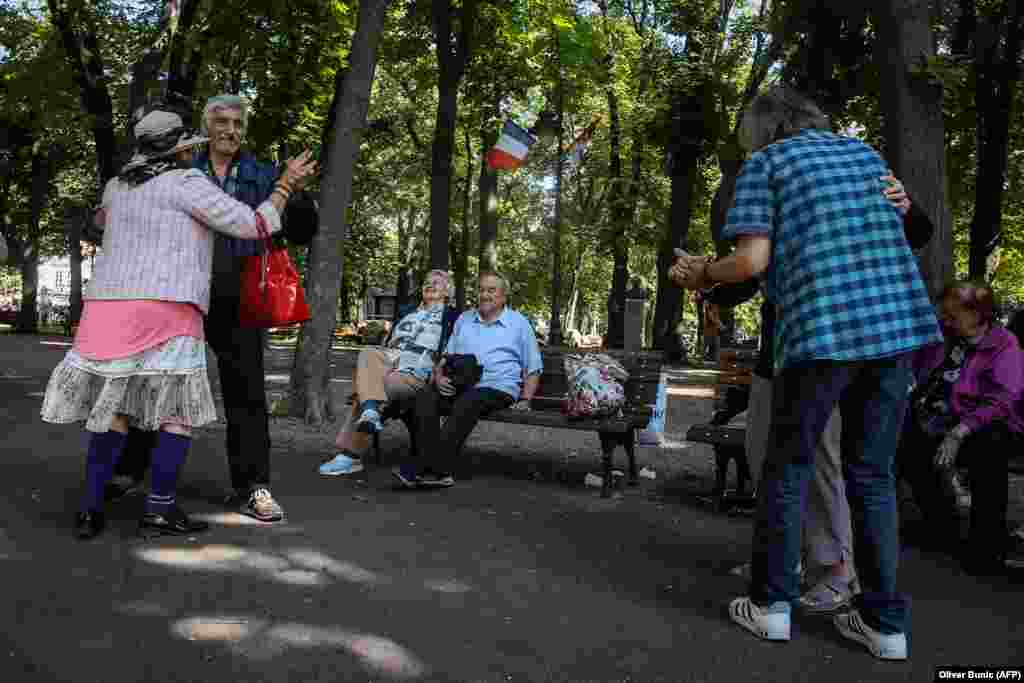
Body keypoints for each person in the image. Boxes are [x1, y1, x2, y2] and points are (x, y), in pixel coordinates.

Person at [671, 86, 941, 660]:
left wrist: (702, 274)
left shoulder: (766, 164)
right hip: (894, 334)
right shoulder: (864, 156)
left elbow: (751, 262)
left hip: (822, 334)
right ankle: (884, 624)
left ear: (760, 130)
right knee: (870, 475)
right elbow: (909, 227)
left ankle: (770, 606)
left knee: (786, 468)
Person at [39, 108, 316, 540]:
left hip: (108, 309)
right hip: (169, 308)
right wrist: (284, 186)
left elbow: (97, 224)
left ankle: (91, 507)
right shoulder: (188, 182)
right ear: (178, 151)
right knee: (175, 410)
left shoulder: (116, 186)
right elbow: (255, 223)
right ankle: (160, 508)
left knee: (115, 407)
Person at [701, 175, 934, 613]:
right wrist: (710, 285)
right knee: (764, 457)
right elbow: (751, 274)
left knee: (821, 466)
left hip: (825, 352)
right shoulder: (781, 197)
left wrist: (908, 207)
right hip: (781, 352)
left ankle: (836, 570)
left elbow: (919, 231)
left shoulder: (849, 187)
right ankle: (780, 564)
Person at [109, 94, 319, 523]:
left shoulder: (262, 174)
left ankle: (254, 485)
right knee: (156, 381)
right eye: (221, 122)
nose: (230, 130)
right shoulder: (182, 168)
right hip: (181, 289)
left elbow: (298, 231)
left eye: (238, 123)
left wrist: (296, 193)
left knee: (246, 393)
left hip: (237, 291)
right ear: (207, 126)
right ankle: (131, 470)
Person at [898, 281, 1024, 577]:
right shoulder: (944, 338)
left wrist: (960, 432)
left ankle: (986, 547)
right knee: (907, 445)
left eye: (954, 314)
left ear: (979, 314)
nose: (946, 319)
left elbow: (1003, 400)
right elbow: (917, 373)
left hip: (987, 424)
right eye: (945, 314)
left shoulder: (1004, 344)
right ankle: (941, 526)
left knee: (988, 450)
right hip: (939, 417)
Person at [392, 272, 543, 489]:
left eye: (491, 290)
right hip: (460, 383)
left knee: (469, 400)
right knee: (424, 396)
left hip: (498, 387)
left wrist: (526, 399)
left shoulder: (519, 324)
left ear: (503, 296)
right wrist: (439, 376)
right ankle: (435, 469)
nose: (485, 294)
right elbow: (445, 357)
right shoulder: (464, 319)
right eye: (481, 289)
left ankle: (425, 468)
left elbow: (533, 365)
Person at [319, 270, 459, 475]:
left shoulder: (453, 317)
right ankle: (370, 413)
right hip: (390, 359)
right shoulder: (407, 311)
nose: (430, 285)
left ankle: (350, 454)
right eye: (427, 282)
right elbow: (389, 341)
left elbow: (454, 348)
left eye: (437, 283)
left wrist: (439, 372)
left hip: (417, 369)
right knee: (368, 352)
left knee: (373, 389)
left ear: (448, 291)